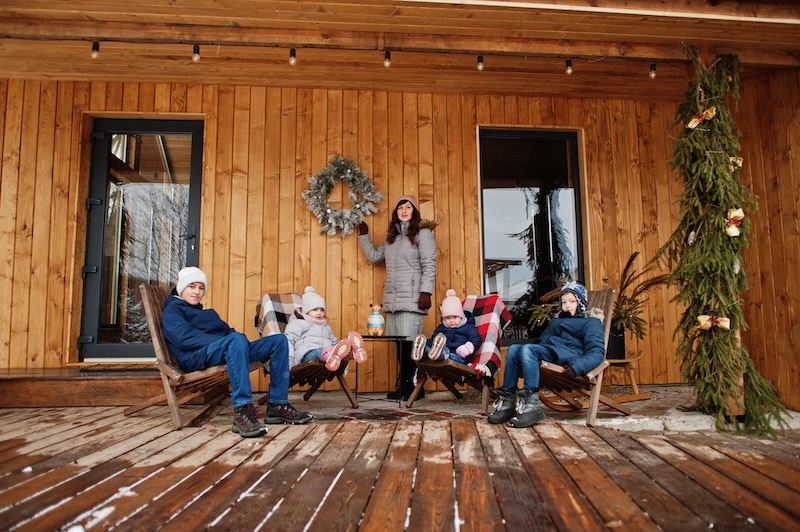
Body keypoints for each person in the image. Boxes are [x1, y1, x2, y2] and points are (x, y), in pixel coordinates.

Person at [161, 267, 312, 438]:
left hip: (225, 350)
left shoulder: (205, 314)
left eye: (201, 288)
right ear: (181, 288)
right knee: (236, 340)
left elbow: (228, 331)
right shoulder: (173, 311)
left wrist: (238, 343)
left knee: (278, 341)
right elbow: (183, 338)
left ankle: (277, 405)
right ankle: (243, 411)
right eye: (192, 286)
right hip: (195, 357)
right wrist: (232, 342)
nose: (197, 292)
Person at [488, 281, 605, 428]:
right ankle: (507, 402)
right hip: (554, 352)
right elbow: (544, 341)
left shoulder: (591, 323)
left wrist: (577, 366)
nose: (567, 305)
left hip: (570, 357)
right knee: (514, 349)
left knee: (527, 350)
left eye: (572, 301)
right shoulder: (558, 320)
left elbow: (597, 352)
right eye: (563, 302)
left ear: (581, 303)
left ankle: (532, 407)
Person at [357, 195, 438, 400]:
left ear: (414, 211)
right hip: (393, 301)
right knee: (400, 346)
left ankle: (413, 388)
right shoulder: (391, 240)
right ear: (396, 212)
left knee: (411, 346)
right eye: (400, 207)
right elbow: (375, 256)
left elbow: (429, 264)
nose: (404, 210)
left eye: (408, 206)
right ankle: (405, 385)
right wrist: (364, 235)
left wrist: (426, 292)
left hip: (413, 299)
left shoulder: (423, 234)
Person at [284, 286, 368, 371]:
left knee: (336, 347)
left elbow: (334, 341)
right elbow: (289, 340)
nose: (319, 313)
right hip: (308, 353)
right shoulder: (299, 323)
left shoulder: (326, 327)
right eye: (315, 309)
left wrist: (342, 345)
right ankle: (332, 355)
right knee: (319, 351)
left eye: (322, 310)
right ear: (306, 311)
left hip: (327, 351)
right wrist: (289, 360)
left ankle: (351, 353)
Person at [411, 289, 482, 364]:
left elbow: (476, 338)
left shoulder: (468, 327)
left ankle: (438, 353)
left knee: (446, 354)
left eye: (455, 317)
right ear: (444, 318)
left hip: (459, 357)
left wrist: (467, 348)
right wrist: (427, 344)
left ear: (461, 316)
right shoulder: (442, 328)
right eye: (448, 318)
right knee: (432, 349)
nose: (451, 321)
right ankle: (422, 350)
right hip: (441, 353)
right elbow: (433, 340)